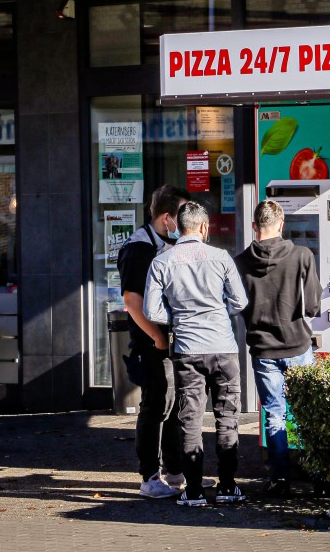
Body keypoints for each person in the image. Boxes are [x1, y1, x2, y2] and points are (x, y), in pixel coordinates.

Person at [144, 201, 248, 507]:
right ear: (204, 227)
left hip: (187, 350)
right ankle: (228, 488)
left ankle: (193, 492)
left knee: (190, 419)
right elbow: (240, 302)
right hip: (223, 347)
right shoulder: (221, 257)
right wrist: (219, 313)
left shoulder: (162, 260)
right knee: (227, 418)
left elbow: (152, 309)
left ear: (177, 226)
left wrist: (178, 317)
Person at [235, 199, 321, 497]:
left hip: (263, 349)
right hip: (298, 344)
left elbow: (236, 304)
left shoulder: (241, 261)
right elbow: (312, 305)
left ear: (255, 226)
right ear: (281, 224)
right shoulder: (302, 255)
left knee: (274, 413)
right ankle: (319, 475)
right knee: (309, 412)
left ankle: (280, 479)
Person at [119, 184, 190, 498]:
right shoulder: (140, 248)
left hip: (171, 339)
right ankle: (150, 476)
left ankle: (175, 472)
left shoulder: (169, 244)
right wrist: (157, 337)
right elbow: (132, 302)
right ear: (166, 218)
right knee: (156, 406)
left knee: (174, 405)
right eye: (182, 215)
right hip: (153, 342)